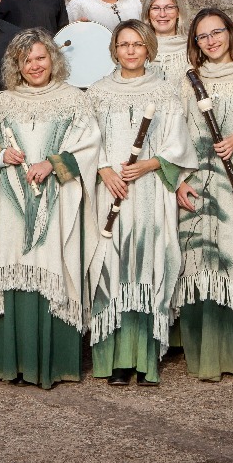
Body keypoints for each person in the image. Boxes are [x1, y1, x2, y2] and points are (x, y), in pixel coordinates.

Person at [0, 28, 100, 388]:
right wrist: (1, 155)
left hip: (58, 198)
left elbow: (89, 146)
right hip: (13, 200)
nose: (35, 65)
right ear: (16, 65)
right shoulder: (3, 101)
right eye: (26, 60)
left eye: (41, 57)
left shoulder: (74, 99)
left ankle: (55, 363)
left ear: (53, 58)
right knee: (14, 264)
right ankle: (14, 362)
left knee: (53, 265)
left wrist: (52, 163)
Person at [86, 20, 196, 385]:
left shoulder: (164, 91)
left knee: (148, 264)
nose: (130, 50)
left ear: (149, 48)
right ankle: (116, 358)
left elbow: (178, 144)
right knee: (111, 267)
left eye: (137, 44)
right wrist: (105, 170)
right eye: (123, 44)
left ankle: (146, 357)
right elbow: (86, 141)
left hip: (150, 192)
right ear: (114, 50)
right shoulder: (98, 92)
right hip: (111, 192)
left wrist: (148, 164)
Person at [173, 9, 233, 387]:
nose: (211, 41)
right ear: (195, 43)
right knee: (200, 264)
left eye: (216, 32)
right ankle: (206, 358)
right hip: (198, 186)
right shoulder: (188, 83)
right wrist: (179, 182)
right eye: (202, 36)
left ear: (230, 33)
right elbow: (173, 137)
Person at [142, 0, 189, 80]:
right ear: (148, 14)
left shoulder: (192, 48)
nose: (162, 14)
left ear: (178, 12)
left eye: (169, 7)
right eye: (155, 8)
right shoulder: (138, 49)